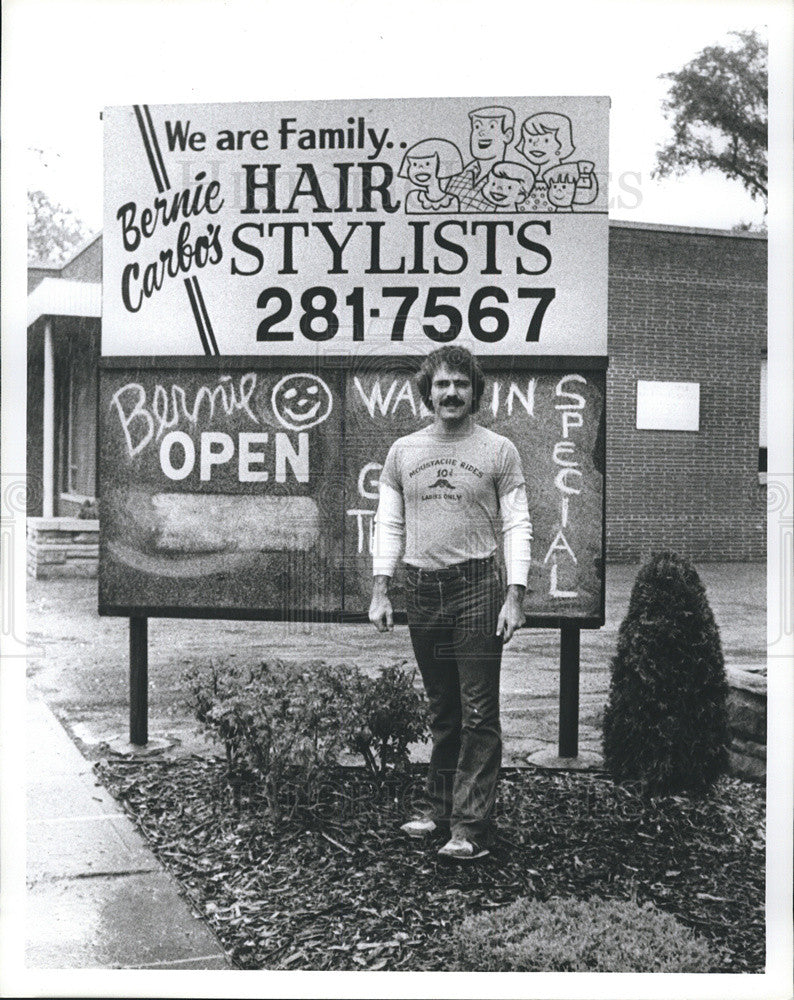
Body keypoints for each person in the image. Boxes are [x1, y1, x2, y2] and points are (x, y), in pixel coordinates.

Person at [369, 346, 532, 861]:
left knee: (479, 711)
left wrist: (515, 595)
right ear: (427, 391)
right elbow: (389, 522)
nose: (451, 393)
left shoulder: (500, 450)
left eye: (461, 384)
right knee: (443, 708)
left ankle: (469, 827)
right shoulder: (403, 452)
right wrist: (381, 587)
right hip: (422, 590)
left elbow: (518, 524)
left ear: (475, 391)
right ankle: (438, 810)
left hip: (478, 590)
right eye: (442, 384)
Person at [444, 106, 515, 212]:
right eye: (477, 126)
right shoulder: (458, 176)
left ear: (507, 136)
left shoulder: (511, 182)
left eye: (492, 126)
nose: (481, 132)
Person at [398, 138, 463, 213]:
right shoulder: (414, 197)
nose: (420, 168)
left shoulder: (452, 200)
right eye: (414, 164)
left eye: (427, 164)